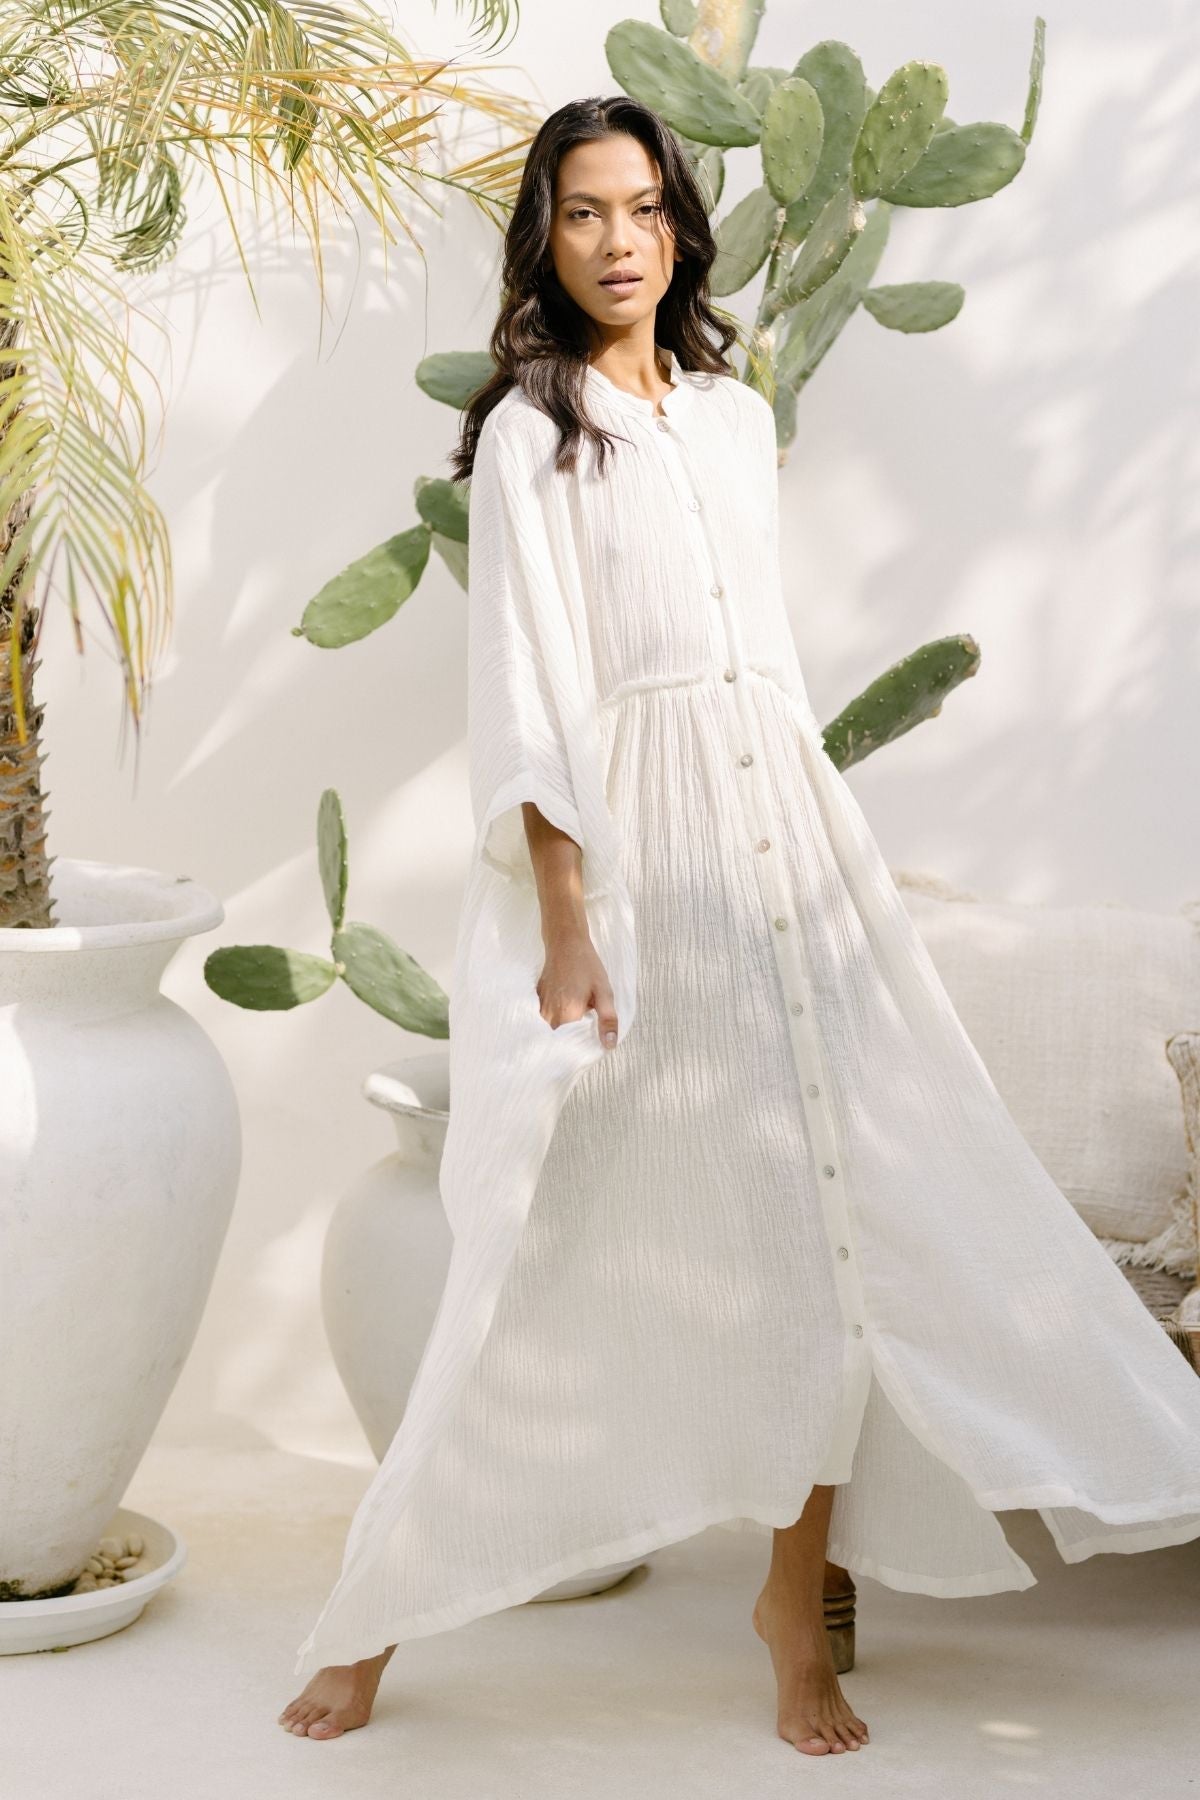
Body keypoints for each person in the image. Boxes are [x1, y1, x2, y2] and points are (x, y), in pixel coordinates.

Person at [279, 95, 1200, 1755]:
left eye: (642, 209)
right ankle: (385, 1608)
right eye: (582, 213)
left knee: (822, 1236)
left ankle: (795, 1608)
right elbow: (533, 699)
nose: (618, 240)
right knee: (531, 1234)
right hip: (634, 861)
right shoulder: (529, 433)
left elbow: (761, 668)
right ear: (544, 239)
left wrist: (827, 873)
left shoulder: (724, 417)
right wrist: (568, 922)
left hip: (781, 856)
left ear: (682, 228)